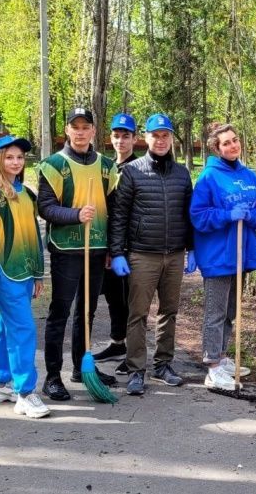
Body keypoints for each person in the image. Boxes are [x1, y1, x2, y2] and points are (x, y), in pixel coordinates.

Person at [108, 113, 196, 395]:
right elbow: (119, 215)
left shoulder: (182, 174)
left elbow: (189, 214)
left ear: (171, 139)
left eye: (165, 135)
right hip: (142, 254)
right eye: (155, 135)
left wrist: (191, 248)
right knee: (138, 314)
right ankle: (136, 369)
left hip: (174, 254)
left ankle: (163, 365)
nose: (160, 140)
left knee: (169, 312)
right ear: (145, 138)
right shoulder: (132, 171)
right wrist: (117, 252)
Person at [37, 107, 119, 401]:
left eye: (86, 127)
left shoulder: (107, 167)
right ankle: (52, 376)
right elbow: (45, 207)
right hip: (66, 250)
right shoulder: (54, 165)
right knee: (59, 312)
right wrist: (75, 215)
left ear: (93, 131)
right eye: (76, 127)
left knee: (87, 311)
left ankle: (81, 368)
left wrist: (113, 248)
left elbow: (116, 211)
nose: (81, 132)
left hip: (96, 250)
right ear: (68, 131)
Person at [0, 136, 50, 419]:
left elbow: (34, 236)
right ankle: (25, 393)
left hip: (26, 272)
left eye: (19, 157)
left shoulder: (27, 195)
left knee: (7, 326)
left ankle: (0, 383)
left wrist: (39, 273)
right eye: (9, 157)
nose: (15, 162)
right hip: (4, 272)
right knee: (24, 329)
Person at [189, 123, 256, 390]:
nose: (233, 145)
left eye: (235, 140)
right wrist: (227, 215)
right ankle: (212, 368)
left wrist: (249, 214)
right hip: (217, 255)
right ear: (217, 148)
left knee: (230, 312)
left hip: (241, 254)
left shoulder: (250, 176)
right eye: (226, 143)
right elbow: (198, 216)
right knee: (215, 313)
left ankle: (223, 358)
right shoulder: (209, 177)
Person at [94, 113, 139, 376]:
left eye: (126, 136)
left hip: (131, 245)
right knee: (113, 297)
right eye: (116, 136)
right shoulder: (108, 167)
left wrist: (118, 248)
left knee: (131, 300)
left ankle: (133, 352)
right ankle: (117, 342)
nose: (120, 141)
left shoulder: (138, 168)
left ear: (134, 138)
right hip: (110, 244)